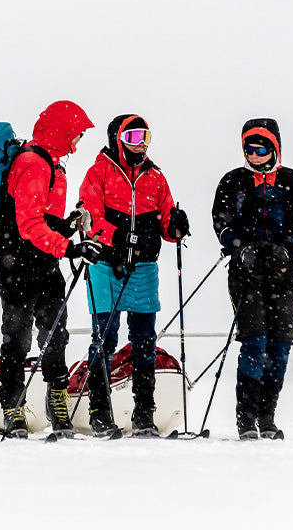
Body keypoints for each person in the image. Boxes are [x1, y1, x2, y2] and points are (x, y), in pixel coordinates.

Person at [0, 100, 101, 439]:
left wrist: (69, 227)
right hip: (17, 264)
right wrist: (71, 247)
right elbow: (29, 226)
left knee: (55, 333)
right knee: (18, 336)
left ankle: (57, 400)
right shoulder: (33, 163)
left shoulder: (54, 166)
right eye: (75, 135)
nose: (77, 144)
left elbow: (45, 222)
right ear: (60, 131)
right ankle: (13, 407)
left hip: (42, 262)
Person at [78, 114, 190, 437]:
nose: (140, 143)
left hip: (143, 269)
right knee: (105, 338)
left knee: (144, 340)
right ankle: (100, 411)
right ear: (118, 140)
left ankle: (144, 413)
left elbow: (167, 221)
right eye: (133, 136)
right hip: (105, 266)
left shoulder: (155, 177)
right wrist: (119, 237)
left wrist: (176, 226)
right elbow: (89, 218)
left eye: (145, 136)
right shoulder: (98, 172)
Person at [212, 118, 293, 440]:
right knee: (254, 342)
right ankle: (246, 420)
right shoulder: (233, 182)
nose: (254, 155)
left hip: (283, 275)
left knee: (280, 346)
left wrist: (288, 249)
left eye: (261, 148)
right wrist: (240, 249)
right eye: (248, 148)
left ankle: (267, 418)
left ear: (275, 148)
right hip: (246, 274)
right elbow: (222, 224)